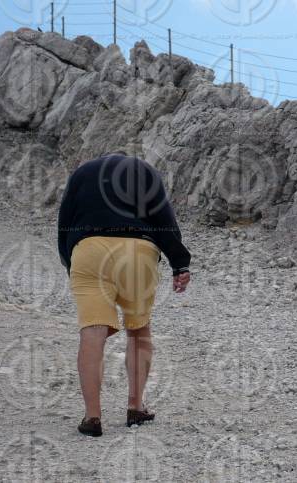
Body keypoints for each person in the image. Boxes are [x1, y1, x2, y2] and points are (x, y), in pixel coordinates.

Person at [58, 151, 191, 437]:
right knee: (139, 329)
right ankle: (135, 406)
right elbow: (164, 218)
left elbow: (64, 220)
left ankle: (92, 417)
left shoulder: (81, 173)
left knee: (91, 330)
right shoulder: (145, 171)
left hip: (89, 250)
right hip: (138, 251)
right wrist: (180, 262)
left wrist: (70, 262)